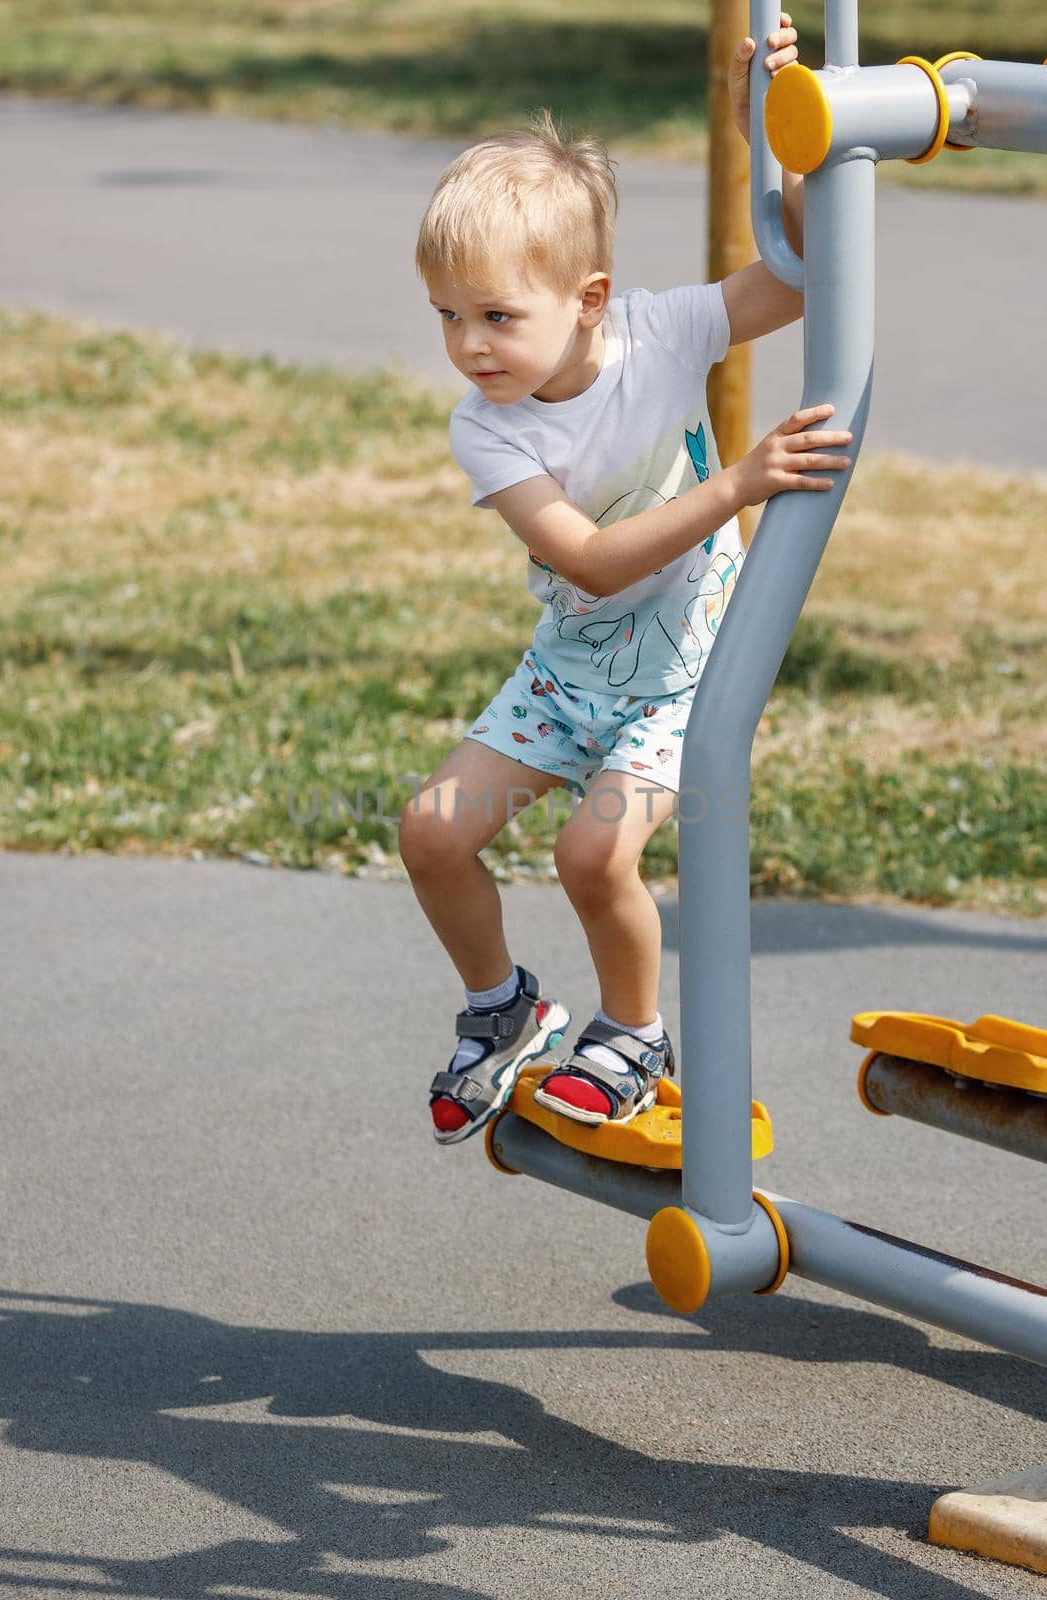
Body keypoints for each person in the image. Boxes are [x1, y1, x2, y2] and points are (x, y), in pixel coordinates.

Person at [400, 15, 854, 1144]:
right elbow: (590, 558)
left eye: (497, 316)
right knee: (431, 831)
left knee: (592, 851)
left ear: (589, 298)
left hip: (688, 662)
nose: (469, 346)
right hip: (573, 663)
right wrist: (738, 483)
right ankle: (502, 1006)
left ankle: (632, 1032)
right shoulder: (486, 431)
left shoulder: (661, 333)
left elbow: (798, 275)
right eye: (448, 317)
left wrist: (783, 116)